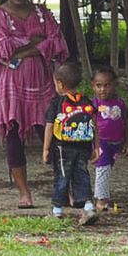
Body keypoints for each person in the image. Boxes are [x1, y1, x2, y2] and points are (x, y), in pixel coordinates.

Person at [0, 0, 69, 209]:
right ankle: (24, 193)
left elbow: (58, 42)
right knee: (13, 134)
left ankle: (66, 189)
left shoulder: (42, 13)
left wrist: (26, 48)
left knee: (54, 132)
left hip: (42, 82)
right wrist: (38, 44)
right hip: (8, 85)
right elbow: (2, 48)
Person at [42, 61, 101, 225]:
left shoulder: (57, 103)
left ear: (60, 84)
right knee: (82, 175)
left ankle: (57, 210)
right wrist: (96, 147)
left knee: (62, 177)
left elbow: (49, 126)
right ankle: (89, 207)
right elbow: (95, 126)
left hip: (62, 148)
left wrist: (46, 149)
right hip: (83, 147)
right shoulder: (87, 102)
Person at [91, 68, 128, 213]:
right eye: (98, 85)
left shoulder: (119, 103)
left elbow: (124, 121)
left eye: (107, 85)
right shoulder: (93, 104)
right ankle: (101, 200)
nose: (103, 89)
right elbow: (91, 125)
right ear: (93, 85)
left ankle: (101, 197)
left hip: (116, 142)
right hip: (100, 142)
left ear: (114, 85)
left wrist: (126, 141)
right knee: (103, 167)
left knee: (107, 169)